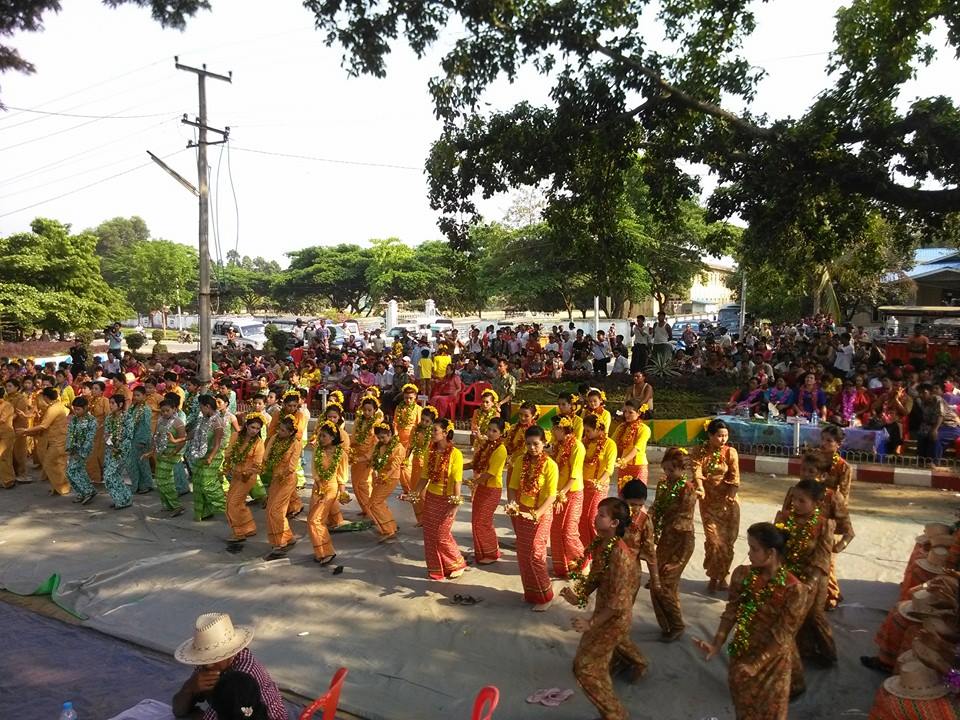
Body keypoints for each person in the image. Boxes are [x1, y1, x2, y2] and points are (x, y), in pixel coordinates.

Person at [694, 523, 809, 720]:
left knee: (770, 712)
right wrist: (716, 644)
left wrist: (756, 666)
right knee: (744, 708)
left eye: (754, 549)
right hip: (743, 654)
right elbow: (732, 611)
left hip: (773, 663)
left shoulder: (794, 590)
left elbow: (783, 635)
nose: (749, 554)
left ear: (771, 553)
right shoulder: (742, 574)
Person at [562, 497, 645, 720]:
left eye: (602, 515)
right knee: (588, 665)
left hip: (614, 619)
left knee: (586, 668)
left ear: (615, 523)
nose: (596, 517)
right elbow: (596, 579)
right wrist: (577, 597)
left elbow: (617, 603)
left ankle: (616, 715)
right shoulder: (601, 545)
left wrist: (590, 623)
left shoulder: (619, 554)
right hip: (604, 615)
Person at [774, 479, 843, 698]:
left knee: (811, 617)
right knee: (787, 626)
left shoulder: (824, 525)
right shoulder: (783, 519)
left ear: (817, 503)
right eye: (793, 498)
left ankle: (822, 658)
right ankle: (793, 675)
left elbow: (822, 559)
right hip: (788, 577)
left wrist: (807, 586)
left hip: (813, 579)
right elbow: (775, 550)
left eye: (801, 500)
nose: (795, 503)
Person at [172, 612, 288, 720]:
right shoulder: (206, 666)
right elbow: (178, 710)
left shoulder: (242, 676)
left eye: (213, 658)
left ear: (230, 653)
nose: (208, 665)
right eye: (204, 660)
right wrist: (189, 688)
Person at [650, 448, 701, 642]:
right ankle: (667, 623)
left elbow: (684, 524)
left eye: (672, 470)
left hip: (681, 542)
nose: (667, 474)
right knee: (658, 584)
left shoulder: (687, 489)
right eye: (665, 470)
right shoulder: (663, 484)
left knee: (664, 585)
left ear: (682, 469)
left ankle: (677, 625)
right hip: (665, 540)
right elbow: (656, 508)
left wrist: (679, 561)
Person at [507, 425, 558, 609]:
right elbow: (513, 487)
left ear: (544, 443)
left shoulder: (550, 465)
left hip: (541, 513)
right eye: (528, 444)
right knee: (523, 553)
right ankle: (531, 593)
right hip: (522, 511)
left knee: (536, 554)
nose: (532, 448)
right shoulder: (521, 460)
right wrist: (513, 504)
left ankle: (546, 596)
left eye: (536, 444)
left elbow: (552, 495)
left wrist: (537, 513)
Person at [416, 417, 467, 580]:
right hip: (432, 497)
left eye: (435, 430)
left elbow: (457, 480)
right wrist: (414, 493)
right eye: (431, 430)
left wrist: (455, 504)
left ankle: (457, 563)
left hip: (447, 498)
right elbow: (424, 476)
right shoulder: (429, 451)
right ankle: (437, 568)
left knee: (442, 534)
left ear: (445, 433)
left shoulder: (456, 454)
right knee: (429, 534)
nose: (431, 433)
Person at [693, 418, 739, 592]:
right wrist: (700, 487)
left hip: (729, 502)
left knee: (727, 542)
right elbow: (696, 470)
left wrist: (732, 495)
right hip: (708, 501)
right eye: (719, 436)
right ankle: (713, 575)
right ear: (710, 435)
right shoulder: (700, 451)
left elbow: (735, 477)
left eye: (725, 435)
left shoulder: (730, 453)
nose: (723, 439)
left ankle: (723, 574)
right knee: (713, 542)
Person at [549, 415, 586, 578]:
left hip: (572, 492)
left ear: (562, 429)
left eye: (555, 428)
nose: (552, 431)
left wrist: (561, 493)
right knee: (556, 531)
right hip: (558, 492)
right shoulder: (558, 445)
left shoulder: (577, 446)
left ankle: (581, 562)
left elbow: (574, 475)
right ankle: (561, 566)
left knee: (569, 531)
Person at [468, 417, 508, 564]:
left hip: (492, 490)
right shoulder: (486, 445)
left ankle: (491, 554)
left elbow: (490, 473)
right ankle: (481, 552)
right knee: (476, 520)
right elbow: (475, 464)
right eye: (489, 430)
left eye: (494, 431)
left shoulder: (501, 449)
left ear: (502, 433)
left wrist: (474, 482)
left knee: (483, 522)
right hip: (482, 487)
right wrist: (458, 465)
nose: (490, 433)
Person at [308, 420, 347, 565]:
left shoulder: (341, 454)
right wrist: (318, 484)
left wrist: (343, 494)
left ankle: (328, 552)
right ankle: (320, 551)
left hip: (331, 489)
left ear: (333, 437)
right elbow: (314, 470)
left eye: (324, 436)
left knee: (315, 520)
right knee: (313, 520)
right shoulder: (318, 450)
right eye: (320, 435)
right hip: (318, 487)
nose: (320, 438)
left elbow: (341, 477)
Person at [18, 387, 69, 496]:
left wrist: (26, 430)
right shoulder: (55, 407)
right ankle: (58, 488)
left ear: (46, 397)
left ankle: (63, 487)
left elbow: (43, 426)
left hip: (57, 440)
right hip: (54, 439)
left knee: (50, 463)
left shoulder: (53, 409)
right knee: (56, 463)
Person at [262, 417, 301, 559]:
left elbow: (292, 466)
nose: (280, 432)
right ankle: (288, 537)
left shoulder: (296, 444)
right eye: (280, 429)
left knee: (276, 510)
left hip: (288, 480)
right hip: (276, 478)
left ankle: (280, 543)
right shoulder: (274, 438)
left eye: (283, 430)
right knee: (271, 510)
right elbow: (266, 457)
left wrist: (282, 474)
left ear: (291, 433)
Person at [223, 415, 266, 544]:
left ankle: (239, 533)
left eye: (258, 429)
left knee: (232, 504)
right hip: (236, 475)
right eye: (252, 427)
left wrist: (247, 472)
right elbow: (229, 453)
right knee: (237, 503)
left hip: (248, 477)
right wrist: (227, 467)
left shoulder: (259, 443)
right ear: (246, 425)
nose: (254, 431)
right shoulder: (236, 436)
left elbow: (258, 464)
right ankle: (249, 528)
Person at [187, 395, 227, 522]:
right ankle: (204, 512)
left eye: (201, 407)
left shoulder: (218, 421)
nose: (200, 409)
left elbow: (217, 443)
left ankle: (228, 509)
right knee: (198, 483)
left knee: (207, 484)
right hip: (201, 455)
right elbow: (195, 433)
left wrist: (210, 457)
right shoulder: (203, 419)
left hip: (213, 456)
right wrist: (179, 439)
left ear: (207, 406)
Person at [579, 414, 617, 548]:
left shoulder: (610, 444)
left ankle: (599, 548)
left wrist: (598, 482)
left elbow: (609, 468)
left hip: (598, 487)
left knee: (593, 519)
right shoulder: (584, 442)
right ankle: (585, 551)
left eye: (589, 430)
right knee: (582, 519)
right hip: (583, 485)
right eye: (585, 430)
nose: (586, 433)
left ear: (598, 429)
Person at [368, 422, 405, 541]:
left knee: (375, 503)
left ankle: (388, 530)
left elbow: (394, 466)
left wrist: (384, 477)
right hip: (381, 477)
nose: (381, 440)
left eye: (383, 437)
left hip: (391, 478)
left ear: (390, 433)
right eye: (379, 437)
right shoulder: (379, 445)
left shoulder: (398, 448)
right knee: (375, 502)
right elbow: (373, 459)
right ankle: (391, 526)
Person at [101, 394, 133, 510]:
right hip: (110, 450)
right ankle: (123, 498)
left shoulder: (127, 417)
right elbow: (107, 434)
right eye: (110, 403)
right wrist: (110, 444)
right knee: (113, 476)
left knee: (109, 475)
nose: (110, 405)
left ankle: (123, 499)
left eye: (113, 403)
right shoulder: (109, 418)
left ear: (120, 405)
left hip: (122, 451)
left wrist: (119, 448)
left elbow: (129, 436)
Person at [349, 396, 379, 516]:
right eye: (364, 410)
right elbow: (354, 437)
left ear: (375, 410)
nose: (366, 413)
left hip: (367, 458)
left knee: (363, 484)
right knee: (356, 484)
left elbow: (376, 443)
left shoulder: (377, 424)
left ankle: (371, 510)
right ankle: (365, 508)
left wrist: (367, 457)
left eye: (369, 410)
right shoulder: (358, 420)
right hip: (356, 455)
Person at [65, 396, 98, 504]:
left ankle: (87, 491)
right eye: (74, 409)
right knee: (79, 471)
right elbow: (70, 434)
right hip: (74, 448)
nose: (76, 411)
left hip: (84, 450)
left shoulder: (92, 421)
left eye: (78, 409)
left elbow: (90, 438)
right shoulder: (74, 419)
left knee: (71, 470)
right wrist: (69, 448)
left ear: (85, 408)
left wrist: (82, 452)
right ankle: (83, 492)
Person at [611, 399, 651, 488]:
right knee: (622, 495)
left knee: (637, 496)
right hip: (623, 467)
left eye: (630, 412)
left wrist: (623, 461)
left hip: (638, 467)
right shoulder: (621, 427)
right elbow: (612, 443)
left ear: (639, 413)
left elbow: (637, 448)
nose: (627, 415)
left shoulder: (644, 429)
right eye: (625, 412)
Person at [125, 386, 154, 495]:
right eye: (134, 395)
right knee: (133, 463)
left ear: (144, 396)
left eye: (138, 395)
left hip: (141, 440)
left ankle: (146, 484)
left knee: (142, 463)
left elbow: (146, 426)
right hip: (132, 439)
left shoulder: (146, 409)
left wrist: (143, 440)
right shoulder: (133, 408)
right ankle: (136, 484)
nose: (136, 397)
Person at [85, 380, 110, 484]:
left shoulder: (105, 401)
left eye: (96, 389)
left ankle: (101, 475)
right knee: (90, 452)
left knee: (99, 452)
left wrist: (103, 427)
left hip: (101, 429)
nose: (93, 391)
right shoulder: (90, 400)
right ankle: (93, 475)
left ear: (102, 391)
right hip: (91, 429)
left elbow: (108, 416)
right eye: (92, 388)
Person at [392, 383, 422, 450]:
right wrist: (395, 433)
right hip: (399, 436)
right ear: (403, 397)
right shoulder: (399, 408)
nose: (408, 400)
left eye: (411, 398)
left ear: (415, 396)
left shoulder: (418, 409)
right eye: (406, 398)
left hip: (411, 436)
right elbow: (395, 422)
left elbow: (419, 424)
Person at [491, 358, 518, 423]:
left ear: (506, 366)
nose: (498, 368)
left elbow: (511, 394)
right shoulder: (496, 379)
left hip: (505, 404)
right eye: (498, 366)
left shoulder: (510, 379)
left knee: (506, 424)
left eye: (500, 366)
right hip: (496, 404)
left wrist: (501, 403)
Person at [0, 388, 14, 489]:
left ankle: (8, 480)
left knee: (4, 456)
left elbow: (2, 419)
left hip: (6, 434)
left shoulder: (7, 405)